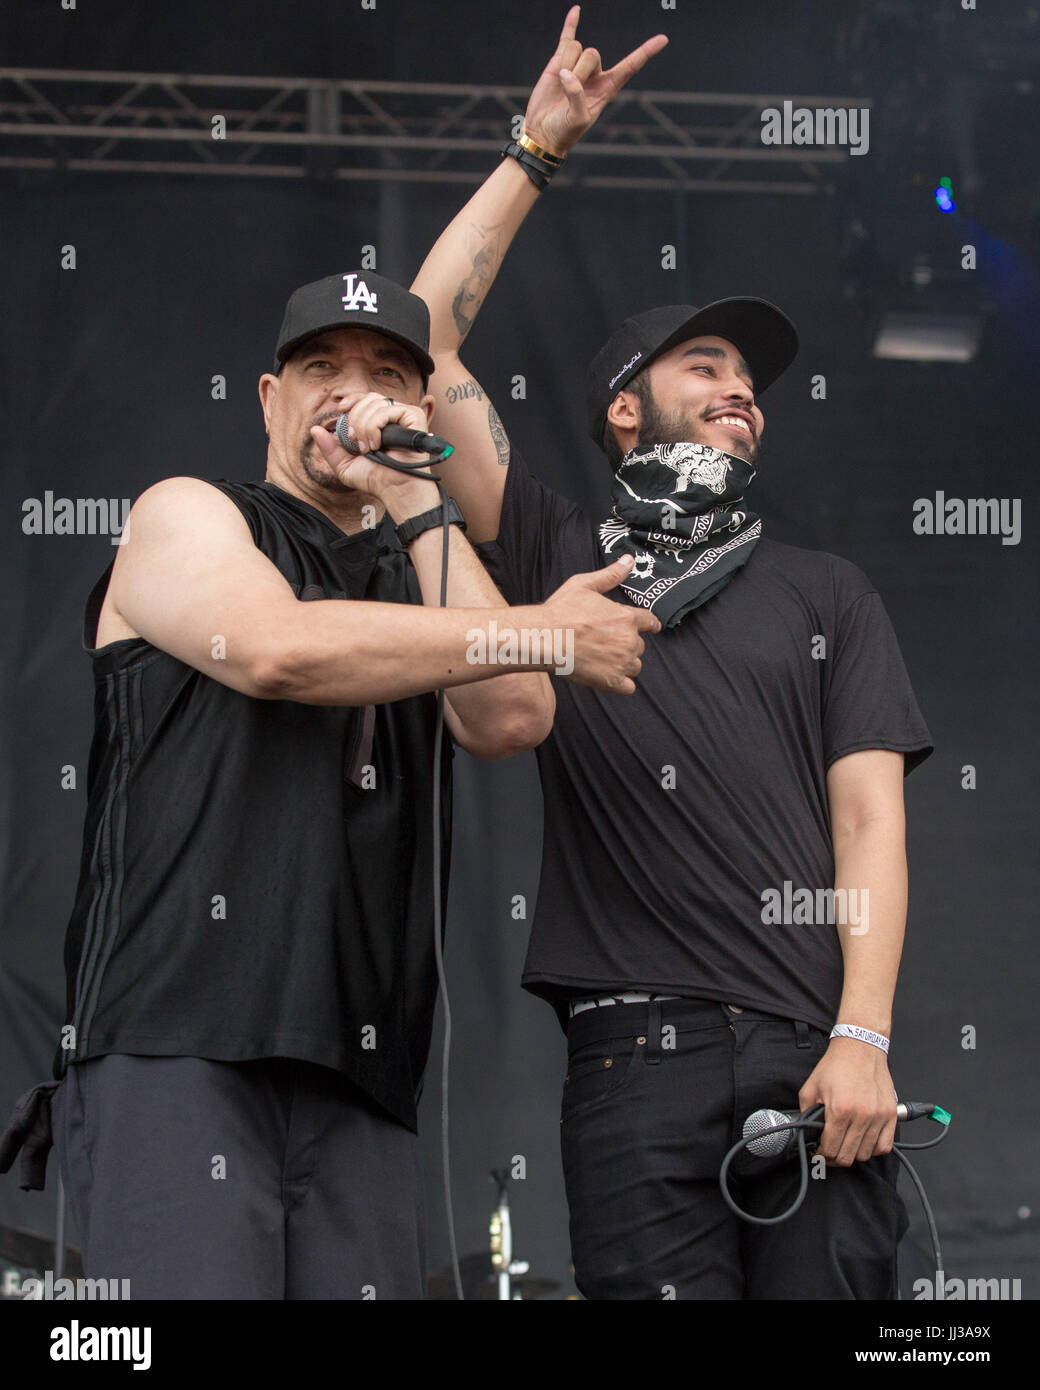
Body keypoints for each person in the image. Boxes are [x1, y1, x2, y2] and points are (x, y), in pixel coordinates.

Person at [394, 9, 935, 1298]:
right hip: (633, 1063)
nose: (741, 387)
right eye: (706, 364)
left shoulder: (825, 589)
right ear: (624, 407)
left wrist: (864, 1033)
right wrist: (535, 149)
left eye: (751, 377)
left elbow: (868, 822)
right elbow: (419, 346)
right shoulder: (551, 548)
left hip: (811, 1052)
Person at [0, 269, 657, 1299]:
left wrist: (415, 495)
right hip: (177, 1045)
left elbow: (512, 716)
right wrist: (540, 628)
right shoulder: (187, 514)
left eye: (387, 374)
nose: (354, 394)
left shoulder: (420, 576)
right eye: (323, 369)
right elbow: (276, 651)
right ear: (272, 399)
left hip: (363, 1069)